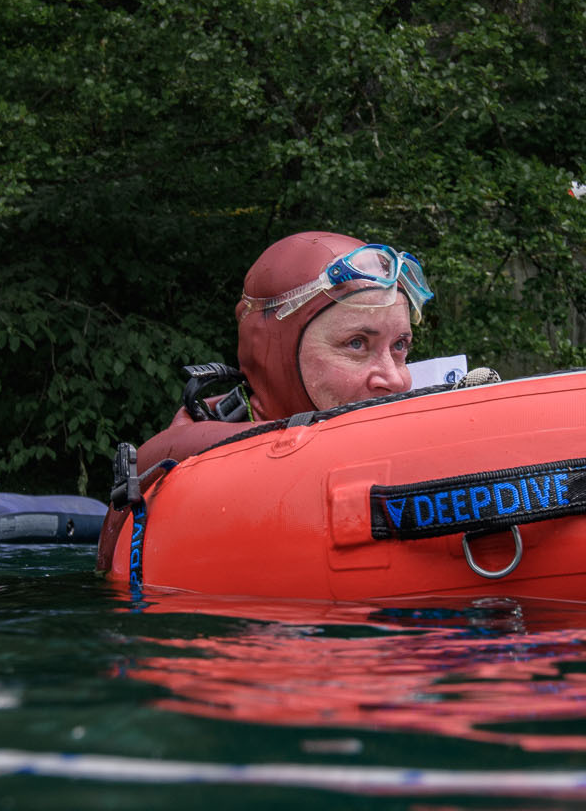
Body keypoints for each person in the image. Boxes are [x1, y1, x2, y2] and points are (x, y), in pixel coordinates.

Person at [97, 231, 434, 567]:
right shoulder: (195, 464)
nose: (393, 379)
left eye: (400, 346)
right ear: (273, 352)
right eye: (357, 344)